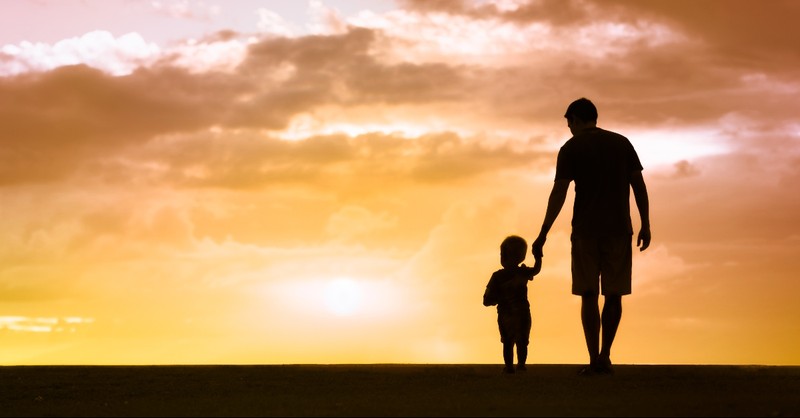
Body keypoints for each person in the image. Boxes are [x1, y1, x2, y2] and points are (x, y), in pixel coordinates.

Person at [531, 98, 651, 376]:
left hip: (585, 231)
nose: (569, 127)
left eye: (568, 122)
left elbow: (559, 192)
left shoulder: (571, 148)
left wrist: (543, 233)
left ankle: (593, 357)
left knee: (588, 294)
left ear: (574, 119)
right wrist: (646, 223)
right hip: (619, 229)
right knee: (614, 294)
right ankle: (606, 355)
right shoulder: (622, 143)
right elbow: (639, 185)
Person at [483, 235, 543, 374]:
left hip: (511, 314)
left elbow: (487, 298)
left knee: (513, 341)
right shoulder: (518, 273)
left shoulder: (500, 276)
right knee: (515, 341)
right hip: (515, 313)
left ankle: (515, 365)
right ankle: (515, 365)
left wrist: (538, 258)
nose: (502, 257)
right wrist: (538, 258)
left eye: (504, 254)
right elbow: (536, 270)